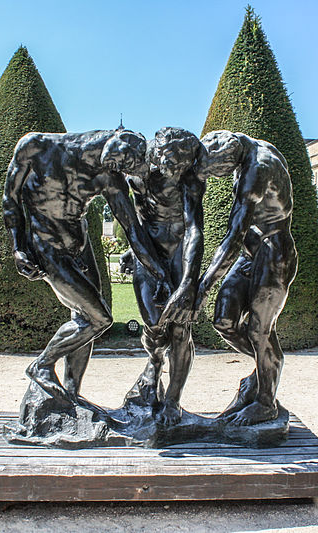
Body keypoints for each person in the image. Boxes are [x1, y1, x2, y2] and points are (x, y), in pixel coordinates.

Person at [3, 129, 168, 406]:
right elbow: (11, 199)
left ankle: (70, 395)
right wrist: (19, 246)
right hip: (46, 245)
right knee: (98, 318)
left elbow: (132, 229)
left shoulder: (107, 176)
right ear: (112, 151)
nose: (120, 173)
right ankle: (42, 366)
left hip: (80, 246)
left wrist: (158, 272)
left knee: (83, 317)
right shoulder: (36, 147)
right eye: (122, 166)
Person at [182, 130, 298, 426]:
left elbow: (234, 236)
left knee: (260, 331)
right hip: (252, 252)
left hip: (274, 253)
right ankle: (264, 370)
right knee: (224, 321)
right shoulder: (251, 149)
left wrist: (202, 286)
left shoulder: (256, 170)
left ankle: (266, 402)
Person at [122, 127, 206, 425]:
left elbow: (195, 229)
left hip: (180, 252)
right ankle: (155, 362)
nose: (174, 169)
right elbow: (131, 217)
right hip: (148, 251)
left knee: (181, 329)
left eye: (180, 163)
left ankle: (173, 399)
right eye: (169, 161)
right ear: (155, 154)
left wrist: (188, 282)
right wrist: (132, 249)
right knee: (153, 325)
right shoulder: (135, 172)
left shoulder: (190, 179)